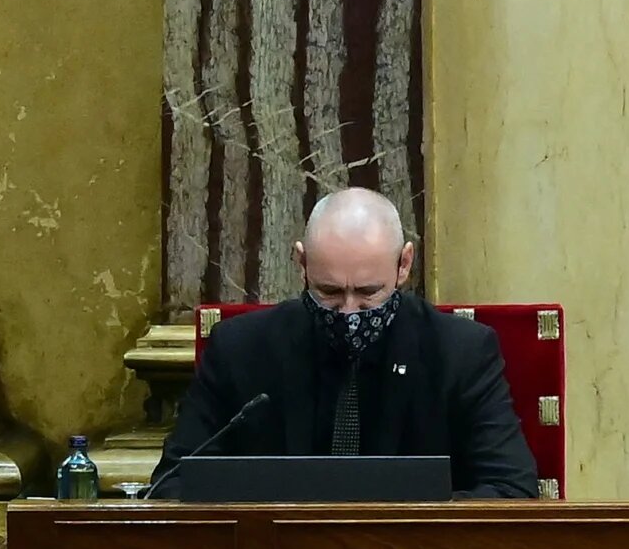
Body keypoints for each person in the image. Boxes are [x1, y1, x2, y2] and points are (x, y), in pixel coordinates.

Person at [154, 187, 539, 498]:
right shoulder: (240, 349)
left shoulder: (460, 353)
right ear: (302, 263)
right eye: (330, 292)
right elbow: (172, 485)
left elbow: (511, 489)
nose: (349, 313)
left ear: (404, 265)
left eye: (368, 293)